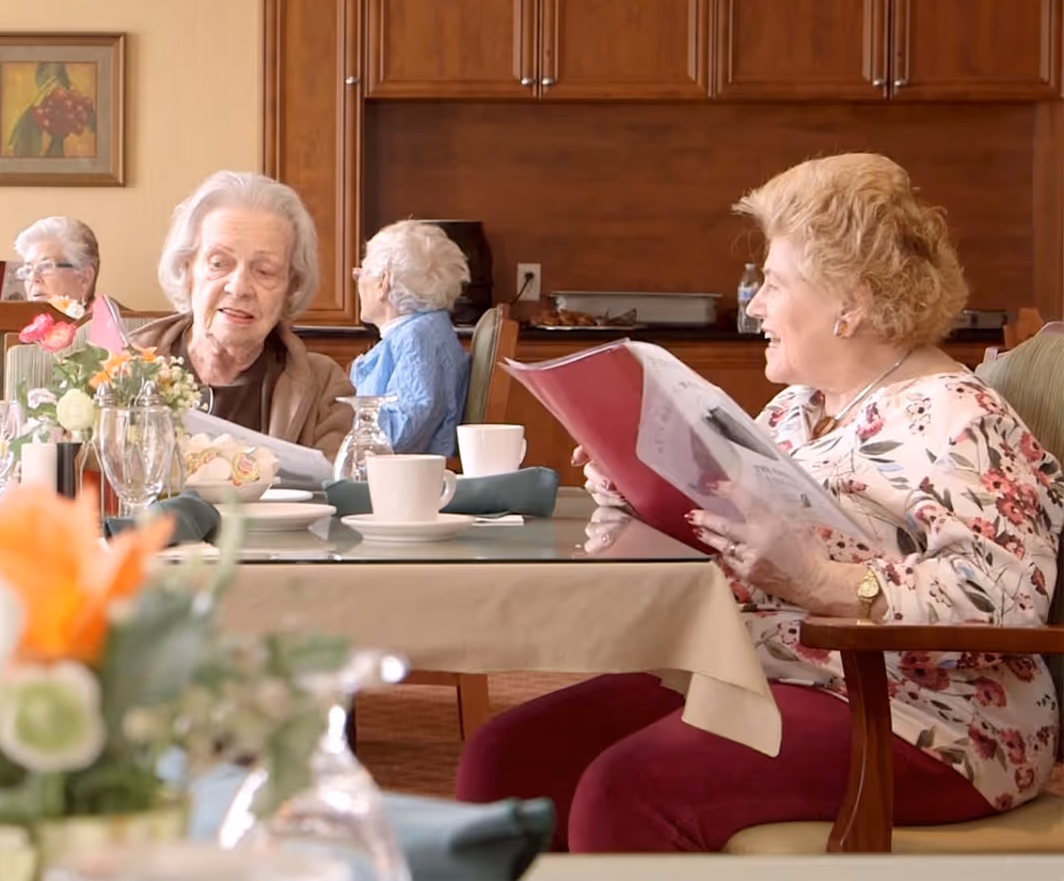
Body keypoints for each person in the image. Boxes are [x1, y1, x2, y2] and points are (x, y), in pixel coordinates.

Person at [455, 152, 1064, 851]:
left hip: (927, 718)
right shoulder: (792, 412)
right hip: (754, 677)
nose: (753, 305)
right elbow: (718, 557)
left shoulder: (961, 418)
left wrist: (818, 579)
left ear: (851, 302)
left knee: (634, 789)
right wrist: (635, 500)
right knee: (509, 760)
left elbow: (1004, 599)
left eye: (773, 284)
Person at [130, 171, 353, 455]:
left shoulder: (324, 388)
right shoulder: (124, 370)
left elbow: (339, 493)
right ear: (186, 270)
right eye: (219, 263)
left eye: (264, 271)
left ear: (291, 286)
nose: (239, 288)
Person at [350, 220, 471, 455]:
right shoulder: (420, 333)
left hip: (401, 481)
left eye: (361, 272)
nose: (357, 280)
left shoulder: (418, 339)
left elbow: (400, 436)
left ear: (383, 283)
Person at [14, 215, 101, 307]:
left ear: (84, 278)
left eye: (46, 266)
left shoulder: (105, 320)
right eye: (28, 270)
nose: (33, 278)